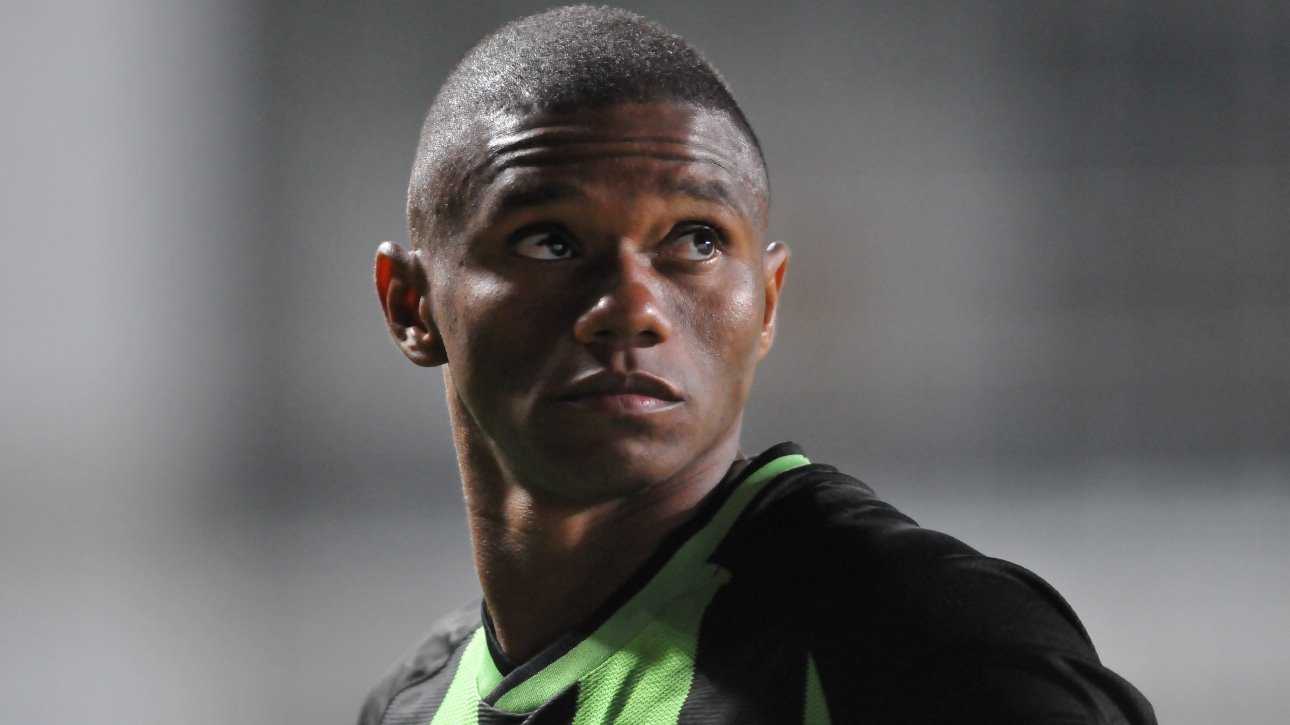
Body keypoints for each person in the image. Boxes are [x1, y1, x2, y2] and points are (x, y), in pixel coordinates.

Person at [361, 6, 1156, 724]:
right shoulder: (412, 705)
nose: (631, 306)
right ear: (412, 305)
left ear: (767, 301)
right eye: (551, 241)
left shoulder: (923, 647)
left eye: (696, 240)